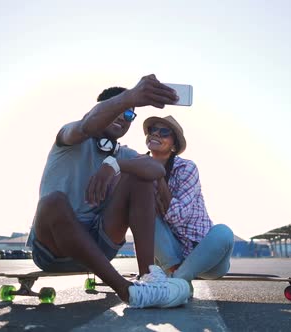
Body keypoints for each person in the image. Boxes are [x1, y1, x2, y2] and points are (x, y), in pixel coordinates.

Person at [26, 75, 191, 308]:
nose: (123, 118)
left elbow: (155, 167)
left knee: (140, 177)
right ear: (101, 109)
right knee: (52, 202)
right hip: (53, 249)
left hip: (99, 245)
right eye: (119, 108)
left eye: (129, 114)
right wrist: (130, 97)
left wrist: (114, 164)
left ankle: (149, 278)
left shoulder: (122, 153)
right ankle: (127, 291)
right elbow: (86, 126)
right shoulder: (69, 137)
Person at [143, 115, 234, 292]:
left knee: (224, 232)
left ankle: (177, 282)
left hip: (206, 256)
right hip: (170, 258)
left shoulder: (186, 168)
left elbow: (178, 217)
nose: (156, 134)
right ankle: (180, 281)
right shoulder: (140, 166)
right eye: (152, 130)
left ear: (174, 145)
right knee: (143, 214)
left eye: (164, 132)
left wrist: (158, 176)